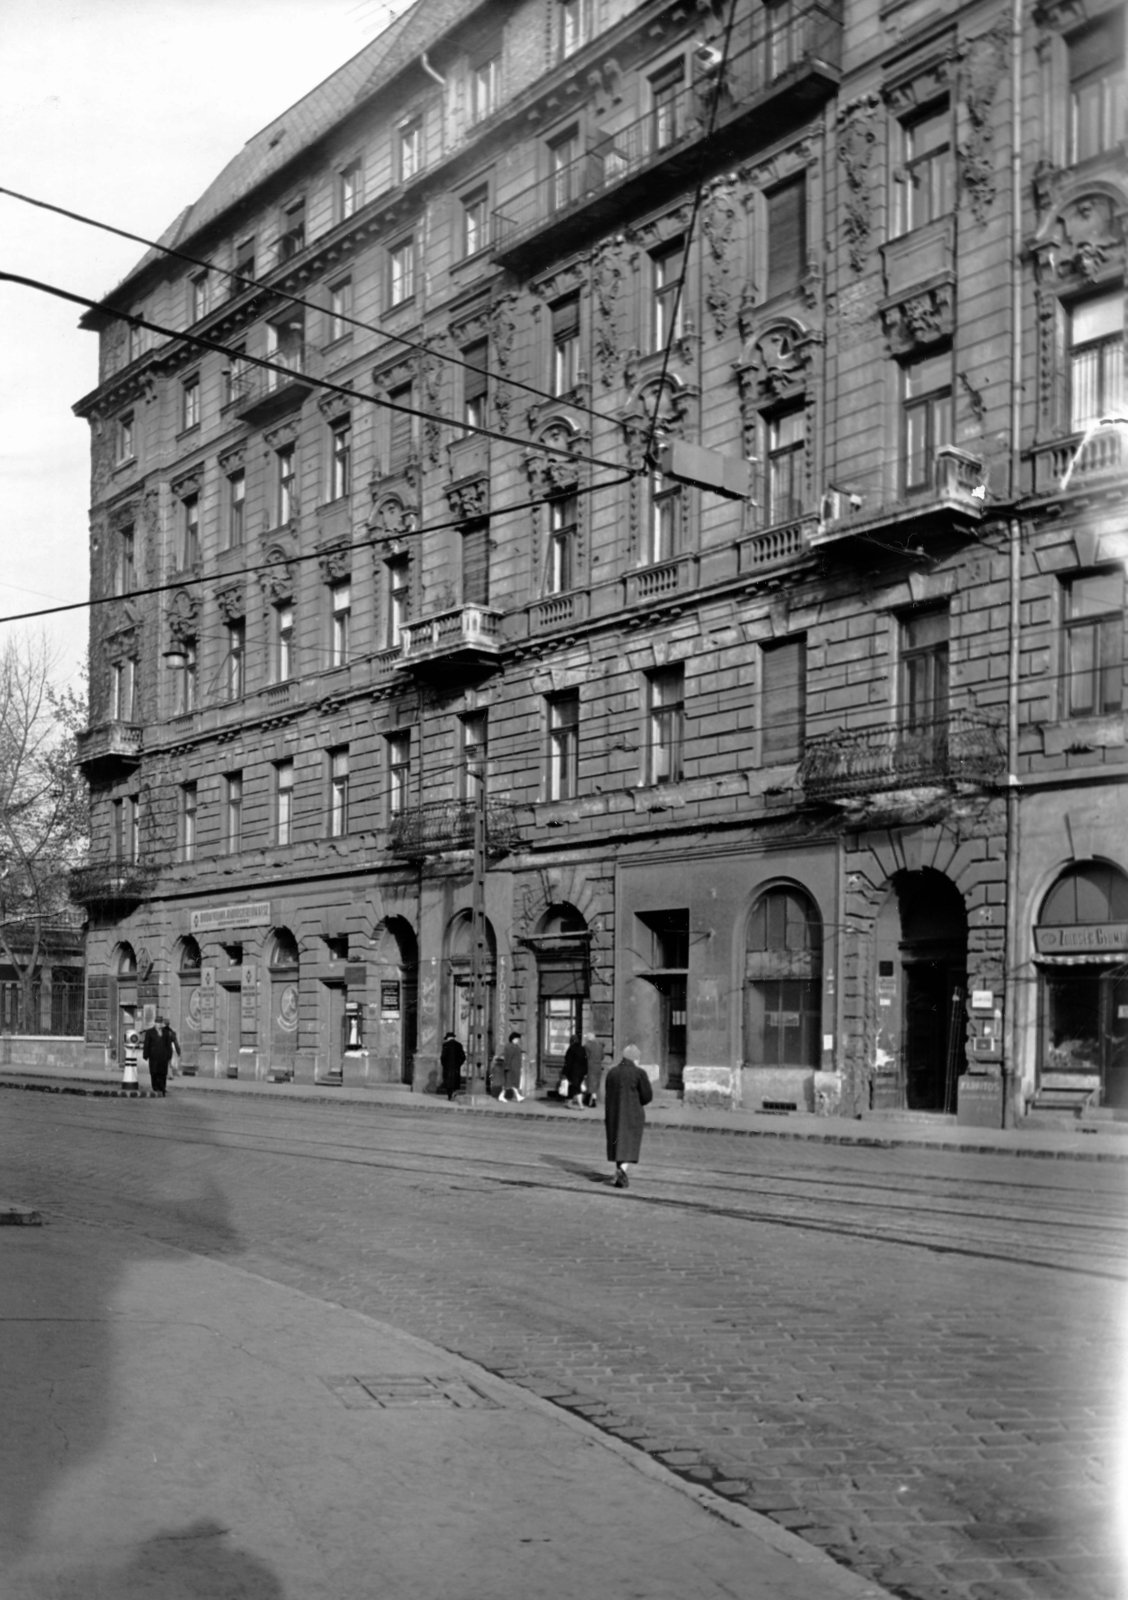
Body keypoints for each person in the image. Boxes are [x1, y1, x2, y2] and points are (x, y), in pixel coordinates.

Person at [603, 1044, 652, 1188]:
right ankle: (622, 1171)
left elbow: (607, 1092)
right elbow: (647, 1096)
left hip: (613, 1112)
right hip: (633, 1113)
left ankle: (619, 1170)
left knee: (618, 1142)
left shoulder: (612, 1072)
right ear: (635, 1058)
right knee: (629, 1143)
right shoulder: (639, 1073)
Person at [142, 1016, 180, 1096]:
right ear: (155, 1023)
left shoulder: (166, 1032)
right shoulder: (149, 1032)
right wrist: (145, 1054)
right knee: (154, 1072)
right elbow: (146, 1044)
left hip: (163, 1056)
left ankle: (162, 1087)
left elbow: (168, 1045)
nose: (159, 1024)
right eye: (158, 1023)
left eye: (160, 1023)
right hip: (153, 1056)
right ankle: (155, 1087)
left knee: (163, 1073)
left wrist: (169, 1055)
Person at [499, 1030, 525, 1102]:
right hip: (511, 1067)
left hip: (514, 1067)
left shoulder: (514, 1046)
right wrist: (507, 1066)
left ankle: (502, 1096)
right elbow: (509, 1057)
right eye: (516, 1039)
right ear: (513, 1039)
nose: (517, 1040)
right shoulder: (510, 1047)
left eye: (518, 1039)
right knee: (510, 1083)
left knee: (510, 1083)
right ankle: (518, 1096)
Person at [562, 1034, 587, 1107]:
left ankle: (581, 1105)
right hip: (581, 1071)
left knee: (576, 1087)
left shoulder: (571, 1049)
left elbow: (568, 1062)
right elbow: (585, 1061)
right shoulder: (582, 1048)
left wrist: (565, 1072)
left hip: (573, 1071)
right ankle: (569, 1104)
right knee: (573, 1087)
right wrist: (585, 1072)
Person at [582, 1031, 605, 1108]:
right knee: (595, 1084)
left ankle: (592, 1101)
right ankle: (588, 1100)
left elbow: (585, 1057)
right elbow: (602, 1057)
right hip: (598, 1066)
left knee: (590, 1083)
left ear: (588, 1038)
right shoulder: (599, 1046)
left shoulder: (586, 1046)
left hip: (589, 1066)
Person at [439, 1031, 465, 1100]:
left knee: (448, 1081)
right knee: (455, 1080)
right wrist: (459, 1064)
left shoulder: (445, 1045)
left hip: (447, 1066)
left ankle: (449, 1095)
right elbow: (463, 1057)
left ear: (448, 1038)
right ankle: (454, 1091)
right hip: (456, 1066)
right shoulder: (459, 1045)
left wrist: (443, 1064)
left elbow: (443, 1056)